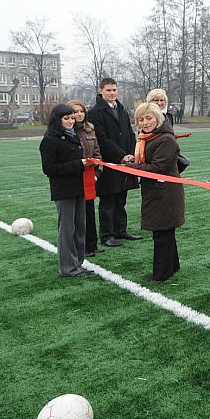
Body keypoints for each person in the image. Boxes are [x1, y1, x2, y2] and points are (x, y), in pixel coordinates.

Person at [122, 103, 185, 283]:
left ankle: (161, 273)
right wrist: (133, 159)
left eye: (148, 118)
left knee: (162, 232)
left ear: (158, 118)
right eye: (140, 119)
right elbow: (150, 160)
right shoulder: (148, 138)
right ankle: (171, 267)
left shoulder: (166, 139)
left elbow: (157, 168)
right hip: (156, 191)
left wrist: (130, 166)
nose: (144, 122)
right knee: (164, 232)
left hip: (165, 192)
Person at [39, 104, 97, 277]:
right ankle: (68, 268)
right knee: (67, 230)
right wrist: (78, 164)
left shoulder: (73, 136)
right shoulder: (50, 140)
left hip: (79, 188)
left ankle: (77, 263)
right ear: (57, 120)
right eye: (66, 118)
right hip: (64, 191)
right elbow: (49, 169)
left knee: (80, 227)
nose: (71, 121)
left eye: (72, 118)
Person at [87, 77, 142, 248]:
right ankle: (107, 234)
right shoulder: (95, 113)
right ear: (101, 91)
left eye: (114, 90)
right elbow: (102, 140)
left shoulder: (122, 110)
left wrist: (132, 153)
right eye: (108, 90)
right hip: (109, 163)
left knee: (121, 198)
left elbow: (130, 134)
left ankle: (120, 230)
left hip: (124, 162)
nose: (112, 93)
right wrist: (121, 155)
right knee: (108, 200)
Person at [67, 99, 103, 258]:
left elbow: (97, 155)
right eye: (75, 111)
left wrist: (97, 174)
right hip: (73, 178)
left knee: (89, 212)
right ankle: (78, 246)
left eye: (81, 111)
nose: (79, 114)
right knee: (76, 215)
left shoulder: (90, 131)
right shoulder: (67, 133)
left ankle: (91, 245)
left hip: (89, 177)